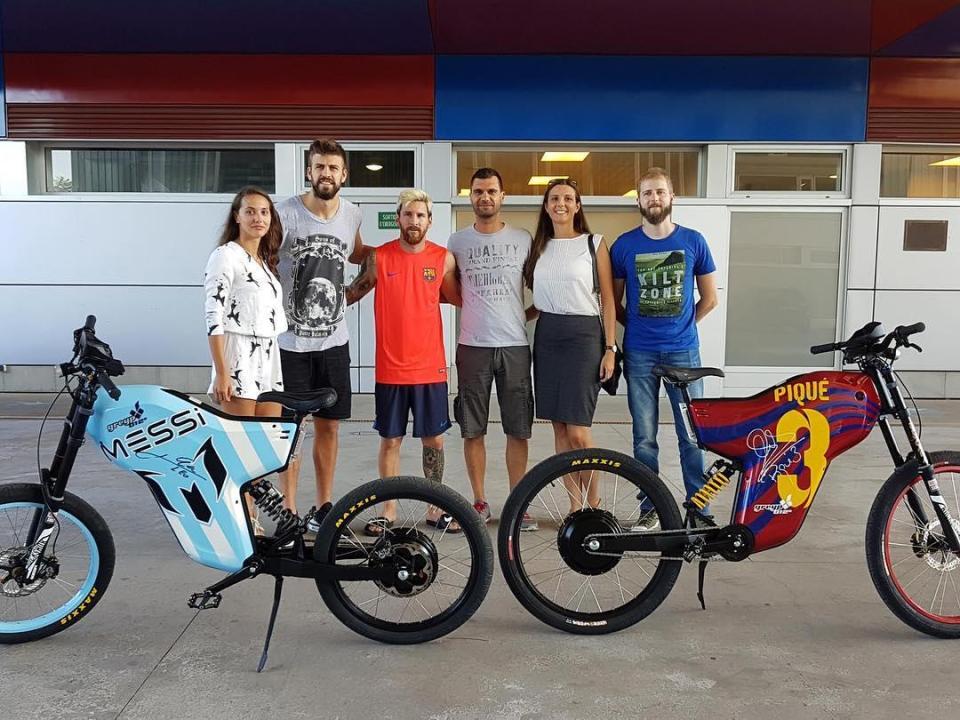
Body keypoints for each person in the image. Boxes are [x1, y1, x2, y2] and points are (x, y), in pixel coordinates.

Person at [610, 167, 718, 529]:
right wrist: (638, 328)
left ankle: (699, 511)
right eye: (646, 193)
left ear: (672, 198)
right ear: (638, 200)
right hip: (639, 354)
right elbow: (615, 302)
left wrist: (683, 326)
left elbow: (710, 298)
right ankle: (650, 509)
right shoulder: (625, 246)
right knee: (644, 439)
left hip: (684, 353)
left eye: (660, 192)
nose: (653, 199)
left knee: (692, 436)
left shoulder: (694, 241)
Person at [274, 138, 370, 527]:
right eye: (319, 167)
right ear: (308, 172)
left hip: (333, 341)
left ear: (344, 174)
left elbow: (360, 254)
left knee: (329, 426)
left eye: (333, 167)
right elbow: (261, 260)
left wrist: (353, 293)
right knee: (290, 429)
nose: (326, 173)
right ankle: (289, 510)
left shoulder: (352, 215)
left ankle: (325, 506)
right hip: (290, 342)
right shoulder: (285, 215)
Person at [359, 189, 459, 535]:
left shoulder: (443, 259)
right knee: (390, 440)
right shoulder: (379, 258)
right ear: (398, 218)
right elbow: (352, 292)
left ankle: (435, 507)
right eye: (408, 214)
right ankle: (387, 512)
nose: (414, 221)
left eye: (421, 216)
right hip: (390, 368)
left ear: (430, 221)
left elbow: (459, 298)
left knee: (435, 440)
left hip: (430, 367)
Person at [523, 179, 616, 517]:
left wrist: (610, 348)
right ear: (546, 206)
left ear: (578, 205)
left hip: (584, 337)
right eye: (554, 199)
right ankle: (574, 506)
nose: (560, 203)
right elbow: (542, 298)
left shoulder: (594, 244)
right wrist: (519, 316)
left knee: (579, 429)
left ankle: (595, 506)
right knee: (559, 429)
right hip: (548, 336)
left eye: (568, 198)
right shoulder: (539, 247)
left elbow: (607, 299)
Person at [447, 168, 534, 526]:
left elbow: (541, 287)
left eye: (492, 191)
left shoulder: (523, 238)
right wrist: (474, 310)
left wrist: (521, 315)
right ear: (470, 197)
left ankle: (517, 503)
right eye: (479, 191)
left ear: (503, 196)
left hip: (514, 345)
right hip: (473, 346)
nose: (485, 197)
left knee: (518, 428)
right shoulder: (457, 242)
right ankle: (479, 501)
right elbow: (448, 288)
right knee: (473, 428)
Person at [203, 186, 287, 535]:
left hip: (269, 355)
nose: (258, 218)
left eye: (264, 212)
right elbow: (213, 312)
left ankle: (251, 515)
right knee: (239, 444)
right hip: (238, 354)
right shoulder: (226, 255)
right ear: (236, 216)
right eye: (250, 211)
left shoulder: (264, 264)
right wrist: (223, 371)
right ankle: (240, 521)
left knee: (263, 445)